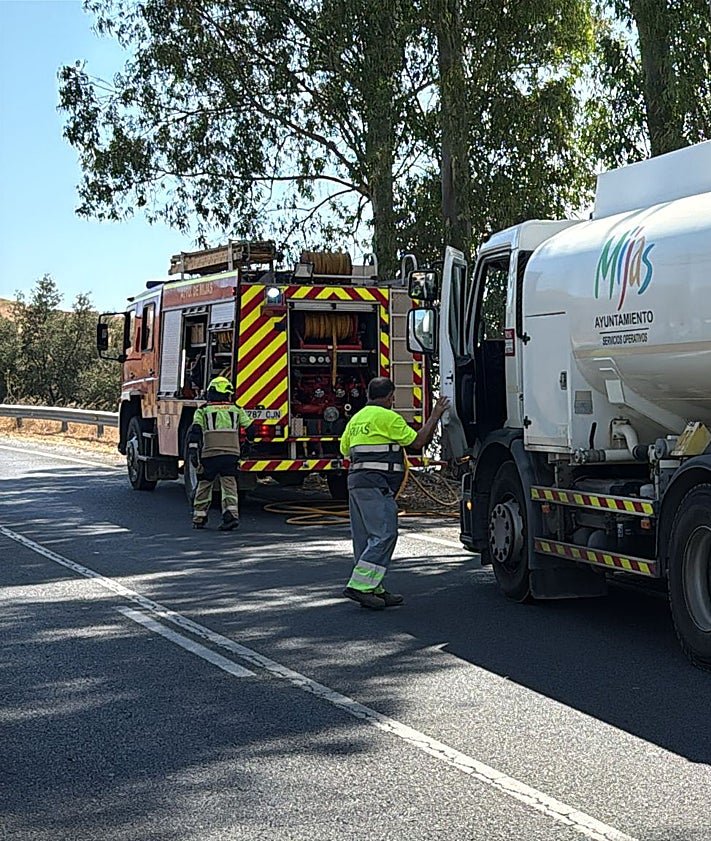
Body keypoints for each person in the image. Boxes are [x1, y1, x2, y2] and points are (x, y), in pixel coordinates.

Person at [340, 376, 451, 609]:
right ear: (391, 397)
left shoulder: (356, 419)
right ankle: (359, 586)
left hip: (356, 484)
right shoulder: (389, 418)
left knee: (365, 538)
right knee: (384, 534)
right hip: (376, 486)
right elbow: (418, 442)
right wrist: (435, 415)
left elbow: (345, 450)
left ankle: (373, 587)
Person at [188, 376, 255, 530]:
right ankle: (231, 516)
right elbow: (251, 430)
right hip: (231, 455)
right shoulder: (236, 409)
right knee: (229, 485)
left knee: (204, 485)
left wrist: (193, 452)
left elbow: (195, 432)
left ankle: (200, 517)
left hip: (209, 455)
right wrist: (247, 445)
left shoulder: (203, 410)